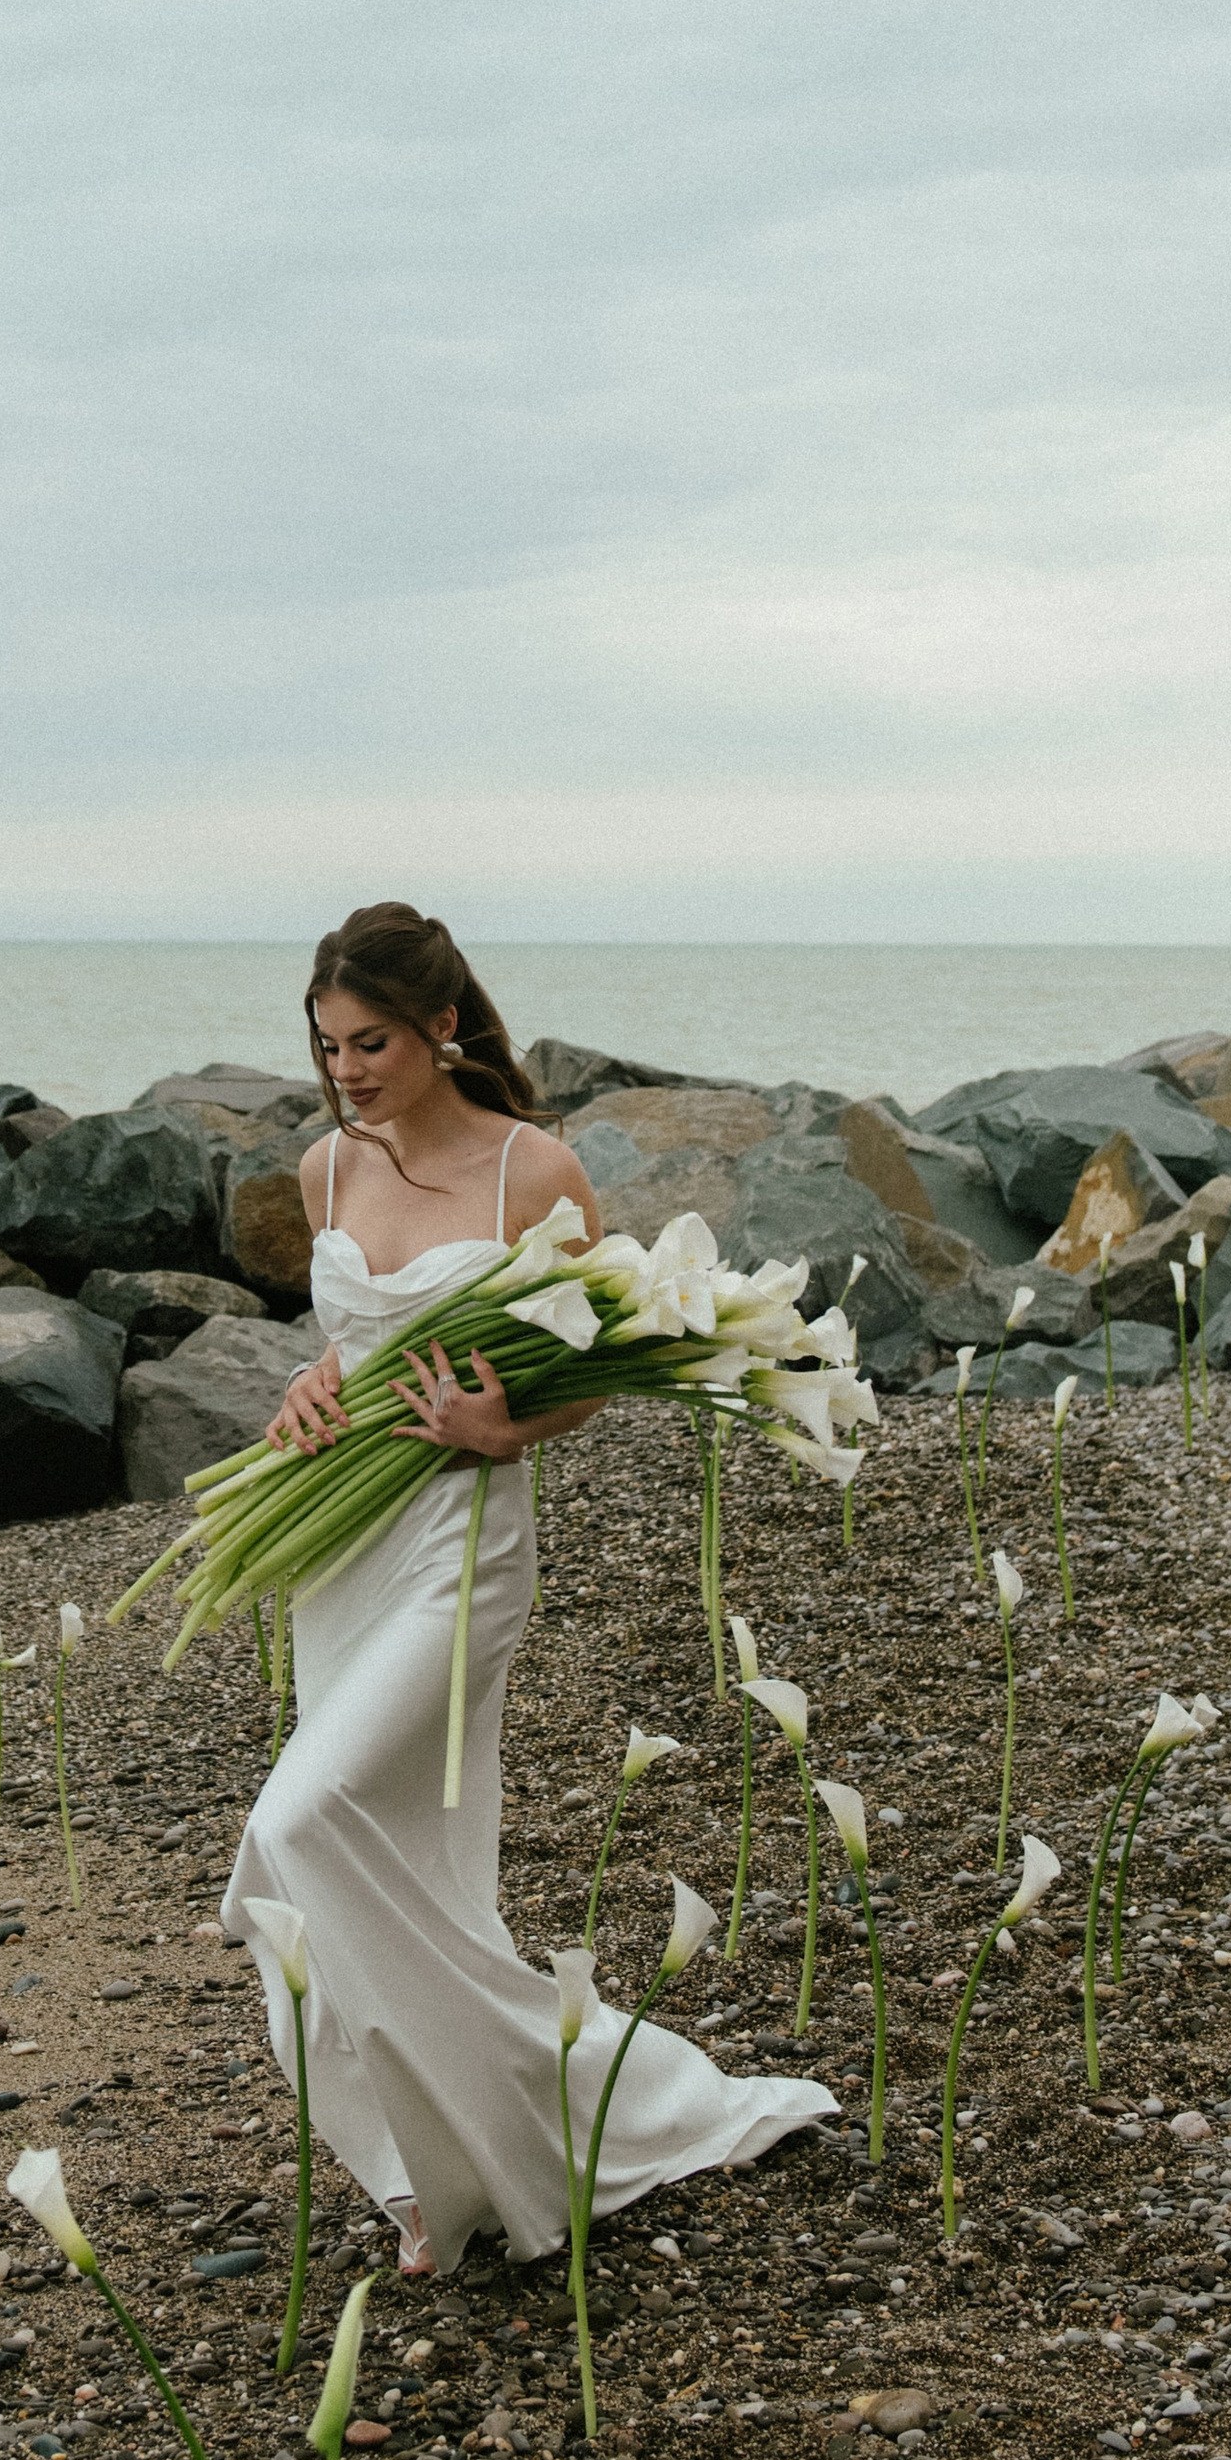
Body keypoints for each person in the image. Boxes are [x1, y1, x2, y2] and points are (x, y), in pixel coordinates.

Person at [222, 901, 835, 2272]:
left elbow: (597, 1363)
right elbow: (349, 1342)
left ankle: (620, 2108)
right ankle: (427, 2176)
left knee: (303, 1821)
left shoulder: (531, 1173)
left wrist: (505, 1432)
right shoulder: (326, 1171)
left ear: (442, 1025)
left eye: (370, 1043)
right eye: (327, 1048)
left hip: (458, 1544)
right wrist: (311, 1386)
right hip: (342, 1551)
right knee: (400, 1873)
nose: (347, 1073)